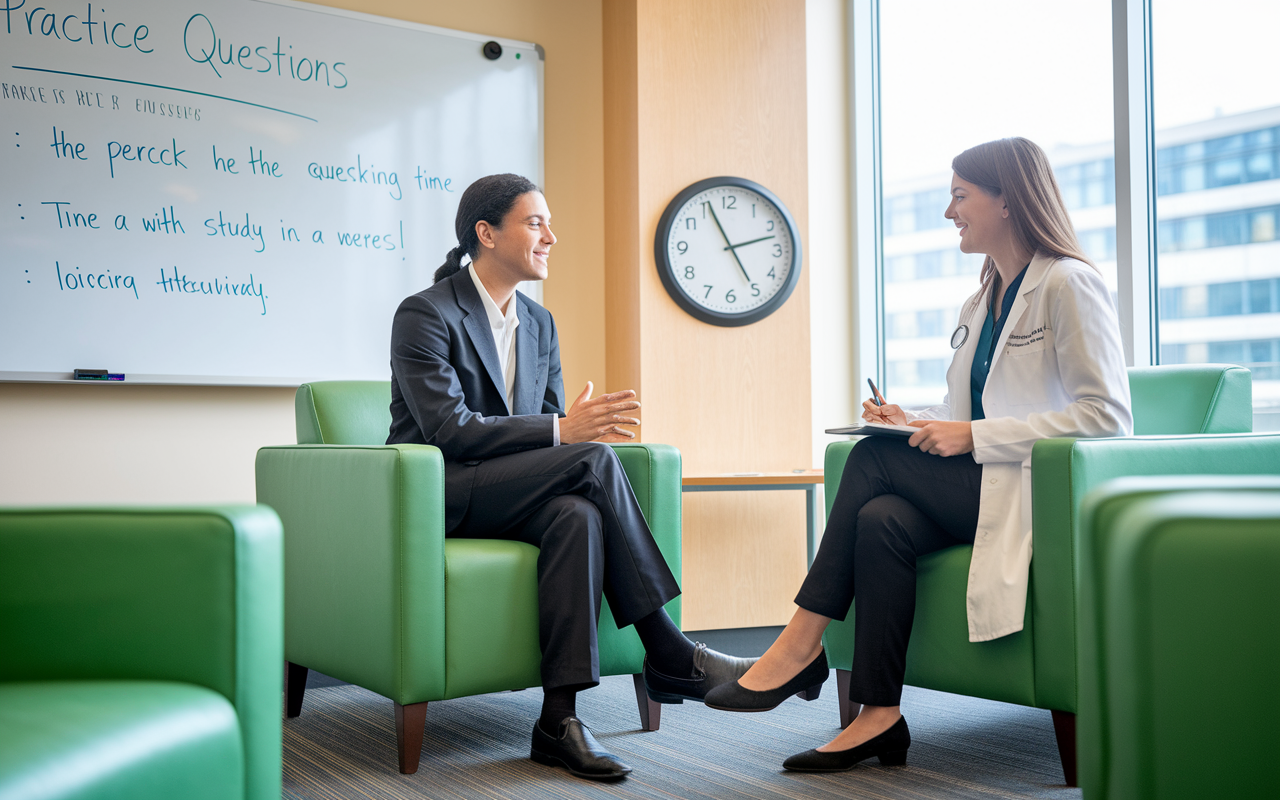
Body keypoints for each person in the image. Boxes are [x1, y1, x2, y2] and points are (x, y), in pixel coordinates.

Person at [704, 137, 1133, 772]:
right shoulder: (981, 298)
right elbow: (979, 405)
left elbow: (1107, 418)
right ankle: (879, 717)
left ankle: (799, 644)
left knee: (870, 464)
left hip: (1033, 493)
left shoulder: (1069, 284)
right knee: (882, 522)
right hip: (979, 485)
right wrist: (916, 419)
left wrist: (973, 437)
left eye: (960, 196)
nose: (948, 211)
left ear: (1008, 200)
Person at [387, 173, 754, 781]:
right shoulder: (425, 314)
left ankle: (558, 720)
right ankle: (666, 646)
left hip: (512, 488)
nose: (550, 236)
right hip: (439, 491)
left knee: (577, 512)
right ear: (486, 233)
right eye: (535, 223)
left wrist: (563, 433)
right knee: (590, 460)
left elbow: (549, 436)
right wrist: (566, 431)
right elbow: (449, 431)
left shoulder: (539, 323)